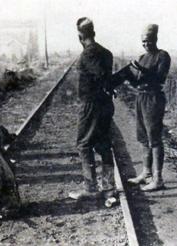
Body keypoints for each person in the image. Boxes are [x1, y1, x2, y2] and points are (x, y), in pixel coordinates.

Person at [117, 24, 171, 191]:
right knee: (142, 136)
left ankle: (158, 178)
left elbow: (159, 78)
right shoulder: (142, 57)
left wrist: (139, 69)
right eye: (143, 42)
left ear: (155, 39)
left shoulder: (162, 56)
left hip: (154, 98)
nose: (146, 44)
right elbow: (138, 81)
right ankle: (146, 173)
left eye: (148, 41)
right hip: (140, 97)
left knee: (154, 137)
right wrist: (126, 76)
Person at [69, 17, 116, 200]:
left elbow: (100, 75)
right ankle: (109, 187)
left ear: (80, 36)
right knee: (103, 143)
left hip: (91, 105)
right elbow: (107, 78)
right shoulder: (107, 53)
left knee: (84, 144)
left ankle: (91, 188)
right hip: (105, 104)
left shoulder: (89, 53)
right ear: (93, 33)